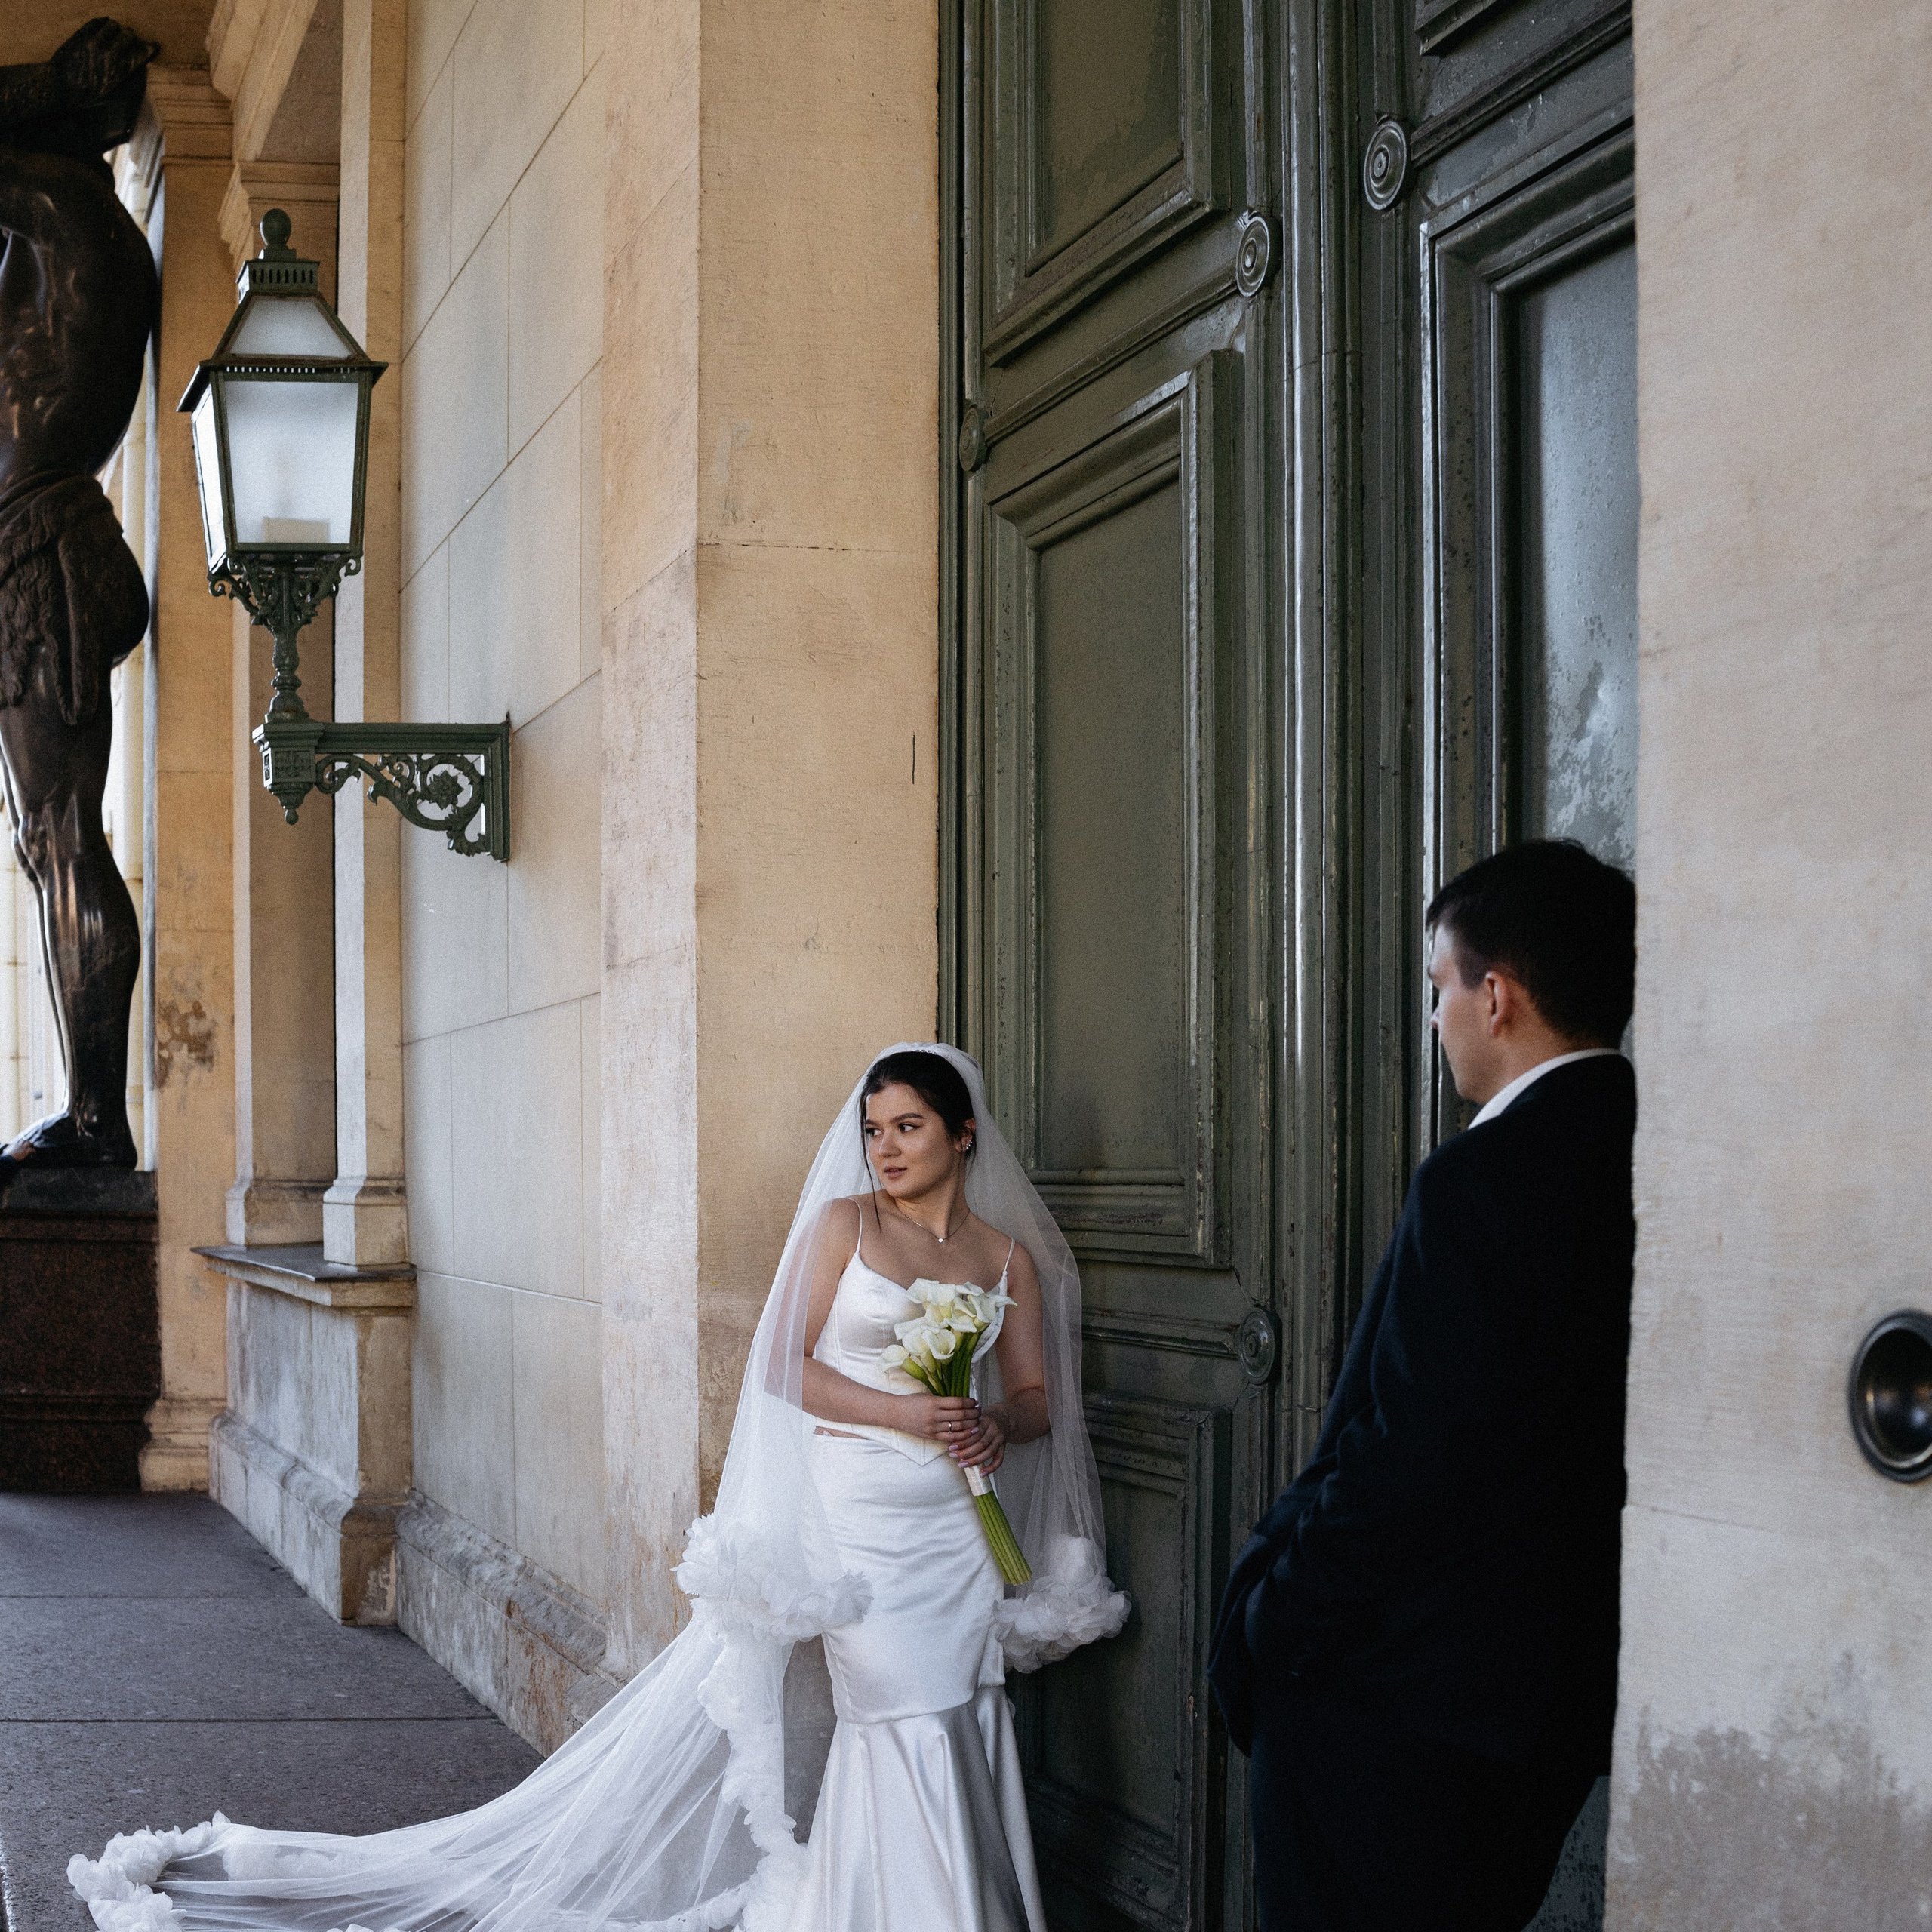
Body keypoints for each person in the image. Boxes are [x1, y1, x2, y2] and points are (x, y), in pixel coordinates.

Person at [70, 1044, 1127, 1932]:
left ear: (963, 1134)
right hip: (860, 1526)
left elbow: (1035, 1396)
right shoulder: (845, 1227)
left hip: (950, 1532)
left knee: (959, 1711)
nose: (887, 1150)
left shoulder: (1004, 1260)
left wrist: (990, 1420)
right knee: (901, 1713)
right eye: (875, 1130)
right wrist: (906, 1411)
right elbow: (782, 1369)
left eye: (908, 1129)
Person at [1209, 839, 1638, 1932]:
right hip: (1542, 1703)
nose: (1438, 1015)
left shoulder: (1481, 1180)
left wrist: (1277, 1622)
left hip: (1396, 1702)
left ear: (1498, 996)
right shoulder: (1651, 1146)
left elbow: (1410, 1455)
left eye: (1441, 986)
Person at [0, 17, 158, 1175]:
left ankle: (98, 1117)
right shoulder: (75, 236)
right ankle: (88, 1107)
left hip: (40, 553)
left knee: (62, 839)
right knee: (50, 840)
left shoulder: (63, 215)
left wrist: (45, 86)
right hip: (41, 544)